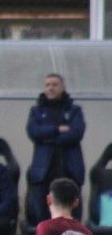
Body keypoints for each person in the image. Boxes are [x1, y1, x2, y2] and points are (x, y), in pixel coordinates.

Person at [26, 73, 86, 223]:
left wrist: (49, 139)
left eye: (54, 84)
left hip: (70, 171)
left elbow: (76, 133)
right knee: (43, 218)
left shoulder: (74, 110)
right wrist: (57, 129)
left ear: (63, 87)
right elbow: (33, 132)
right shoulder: (37, 111)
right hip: (43, 173)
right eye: (47, 85)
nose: (50, 88)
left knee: (71, 218)